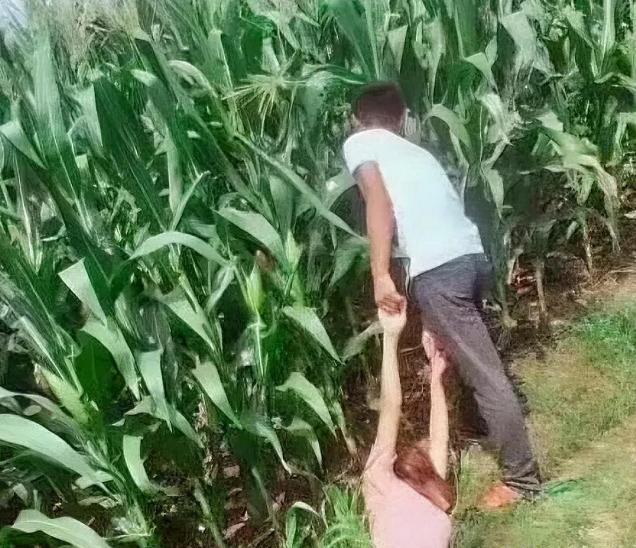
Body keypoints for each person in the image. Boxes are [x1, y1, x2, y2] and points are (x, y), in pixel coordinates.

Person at [343, 81, 541, 507]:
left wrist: (380, 274)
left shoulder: (360, 142)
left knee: (484, 372)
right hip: (470, 258)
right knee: (461, 354)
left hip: (439, 269)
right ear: (401, 118)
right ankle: (484, 432)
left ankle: (522, 481)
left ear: (357, 119)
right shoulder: (416, 152)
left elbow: (379, 203)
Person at [363, 307, 452, 548]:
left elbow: (438, 438)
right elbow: (391, 406)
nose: (426, 443)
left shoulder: (429, 488)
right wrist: (390, 337)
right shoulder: (380, 478)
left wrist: (436, 378)